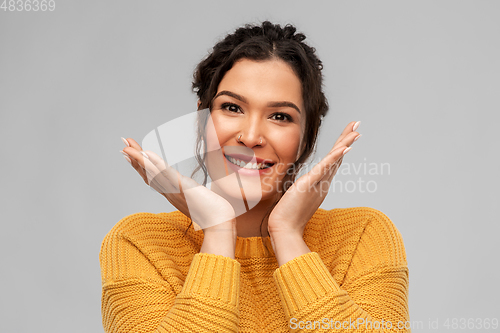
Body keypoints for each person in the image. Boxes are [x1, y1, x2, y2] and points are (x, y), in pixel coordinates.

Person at [100, 21, 410, 332]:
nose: (250, 137)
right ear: (200, 121)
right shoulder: (139, 243)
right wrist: (218, 231)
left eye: (280, 116)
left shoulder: (362, 236)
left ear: (309, 136)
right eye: (232, 108)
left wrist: (288, 235)